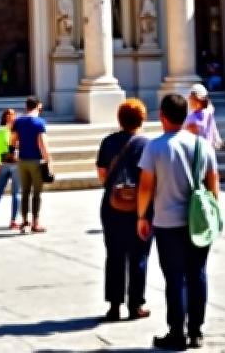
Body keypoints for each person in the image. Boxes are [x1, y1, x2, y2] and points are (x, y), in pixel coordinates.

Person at [136, 93, 219, 351]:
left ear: (162, 116)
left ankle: (176, 331)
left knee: (175, 277)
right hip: (197, 222)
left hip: (167, 221)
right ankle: (196, 331)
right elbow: (213, 182)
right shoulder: (201, 145)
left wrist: (141, 216)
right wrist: (210, 212)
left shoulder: (155, 147)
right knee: (198, 274)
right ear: (185, 116)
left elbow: (146, 187)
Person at [96, 99, 151, 322]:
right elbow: (149, 180)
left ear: (119, 119)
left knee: (114, 255)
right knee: (139, 256)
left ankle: (114, 306)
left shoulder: (108, 142)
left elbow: (102, 174)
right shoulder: (146, 144)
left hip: (112, 205)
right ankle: (136, 304)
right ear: (141, 119)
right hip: (139, 207)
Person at [12, 96, 51, 233]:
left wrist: (14, 153)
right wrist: (48, 161)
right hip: (36, 161)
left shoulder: (18, 121)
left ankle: (24, 222)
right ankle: (35, 222)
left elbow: (13, 140)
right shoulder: (39, 122)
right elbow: (42, 144)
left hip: (22, 161)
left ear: (26, 106)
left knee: (25, 192)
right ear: (38, 106)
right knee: (36, 193)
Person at [185, 84, 222, 150]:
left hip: (199, 151)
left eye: (191, 98)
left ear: (197, 100)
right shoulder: (208, 112)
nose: (189, 100)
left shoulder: (195, 116)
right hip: (207, 149)